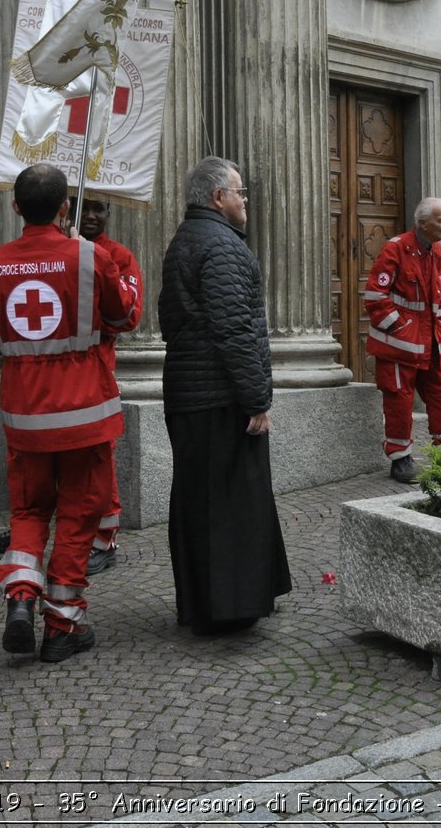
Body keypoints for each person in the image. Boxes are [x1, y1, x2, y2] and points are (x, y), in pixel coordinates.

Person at [0, 164, 138, 663]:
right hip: (85, 409)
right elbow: (125, 316)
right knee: (80, 516)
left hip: (25, 414)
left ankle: (20, 593)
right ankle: (63, 625)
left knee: (29, 510)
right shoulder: (91, 257)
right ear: (65, 208)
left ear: (15, 207)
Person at [158, 156, 292, 635]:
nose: (245, 200)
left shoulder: (186, 240)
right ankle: (230, 607)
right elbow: (233, 329)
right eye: (240, 192)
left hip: (191, 395)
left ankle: (202, 602)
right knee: (232, 503)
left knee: (199, 501)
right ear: (219, 198)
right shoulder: (222, 246)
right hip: (219, 399)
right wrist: (256, 398)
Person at [0, 195, 141, 574]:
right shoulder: (60, 256)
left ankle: (102, 537)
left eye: (101, 209)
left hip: (88, 375)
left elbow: (127, 316)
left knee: (94, 469)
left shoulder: (113, 256)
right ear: (67, 208)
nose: (93, 216)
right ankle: (33, 532)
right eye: (87, 207)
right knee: (43, 478)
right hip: (48, 381)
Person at [365, 197, 441, 484]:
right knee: (399, 402)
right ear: (422, 223)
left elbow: (439, 296)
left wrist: (440, 330)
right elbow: (375, 296)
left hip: (430, 344)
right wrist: (402, 330)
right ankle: (400, 458)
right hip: (398, 348)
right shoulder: (395, 248)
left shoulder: (437, 251)